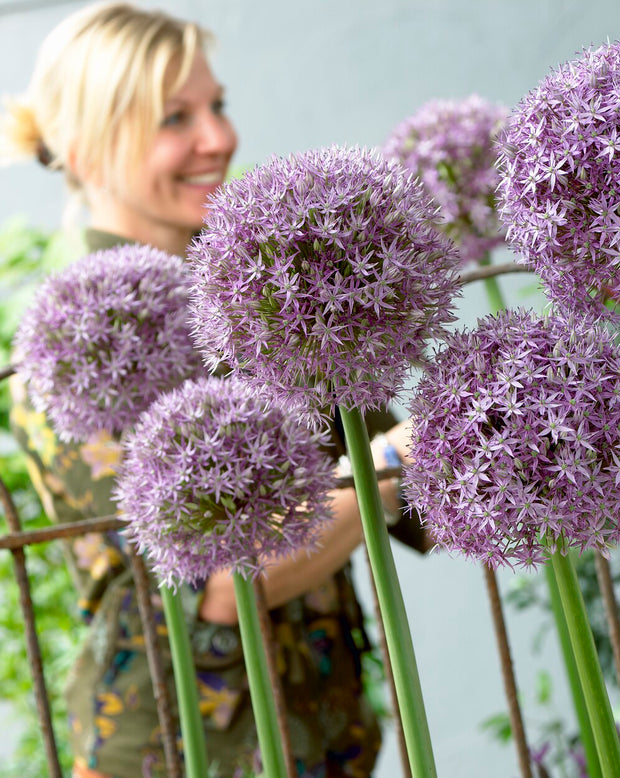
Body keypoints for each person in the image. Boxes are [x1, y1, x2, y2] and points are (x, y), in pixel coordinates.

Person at [2, 4, 416, 776]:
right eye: (174, 118)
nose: (219, 138)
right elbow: (220, 582)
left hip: (328, 732)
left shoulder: (268, 286)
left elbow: (418, 486)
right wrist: (392, 462)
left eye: (217, 106)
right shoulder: (70, 351)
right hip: (174, 748)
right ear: (85, 150)